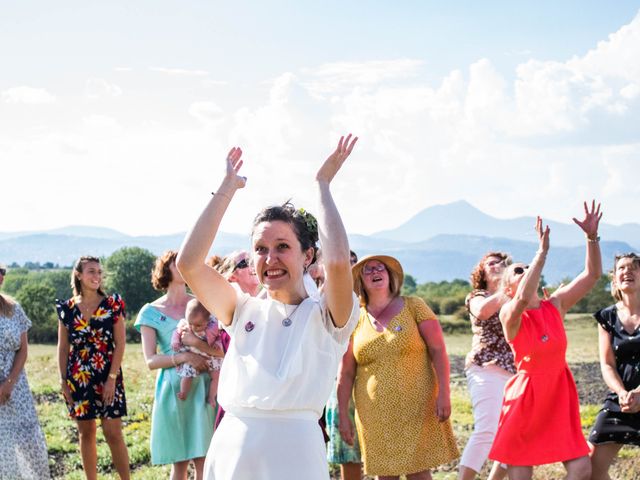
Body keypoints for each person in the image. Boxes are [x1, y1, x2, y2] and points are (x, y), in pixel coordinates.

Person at [176, 134, 360, 480]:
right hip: (231, 451)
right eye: (260, 249)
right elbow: (189, 264)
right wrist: (228, 188)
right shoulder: (241, 309)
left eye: (282, 246)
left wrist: (322, 185)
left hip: (294, 455)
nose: (269, 258)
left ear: (308, 255)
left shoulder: (329, 317)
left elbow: (337, 264)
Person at [489, 202, 603, 480]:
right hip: (526, 397)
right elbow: (522, 299)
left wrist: (591, 238)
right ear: (508, 287)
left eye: (529, 268)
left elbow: (592, 276)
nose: (527, 271)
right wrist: (541, 253)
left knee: (580, 469)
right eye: (519, 271)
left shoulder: (556, 305)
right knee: (520, 472)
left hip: (558, 393)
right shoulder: (509, 314)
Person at [338, 254, 459, 480]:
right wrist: (343, 415)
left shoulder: (414, 306)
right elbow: (345, 373)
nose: (375, 272)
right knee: (384, 475)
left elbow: (438, 350)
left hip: (417, 405)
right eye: (368, 270)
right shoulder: (355, 320)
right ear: (360, 282)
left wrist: (444, 393)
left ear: (389, 275)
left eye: (380, 268)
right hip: (374, 414)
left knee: (419, 473)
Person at [135, 250, 222, 480]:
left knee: (205, 458)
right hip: (174, 390)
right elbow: (150, 360)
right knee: (180, 461)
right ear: (165, 269)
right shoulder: (150, 312)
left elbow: (220, 346)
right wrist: (184, 357)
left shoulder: (203, 304)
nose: (184, 264)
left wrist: (196, 348)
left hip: (205, 387)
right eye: (177, 261)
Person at [56, 256, 130, 480]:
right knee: (85, 432)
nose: (96, 276)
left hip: (109, 374)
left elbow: (120, 344)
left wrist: (112, 378)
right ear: (79, 275)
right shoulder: (67, 309)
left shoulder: (113, 304)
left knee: (112, 433)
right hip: (78, 376)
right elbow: (63, 347)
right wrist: (63, 381)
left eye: (99, 272)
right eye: (91, 271)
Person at [458, 252, 514, 480]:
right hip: (485, 366)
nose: (497, 265)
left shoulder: (516, 297)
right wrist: (509, 289)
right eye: (490, 263)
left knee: (514, 433)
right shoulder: (477, 296)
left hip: (515, 370)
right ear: (481, 271)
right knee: (487, 430)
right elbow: (483, 311)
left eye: (502, 263)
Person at [589, 252, 640, 479]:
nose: (627, 271)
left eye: (634, 267)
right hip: (621, 399)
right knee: (591, 468)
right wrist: (622, 393)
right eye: (621, 268)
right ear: (615, 278)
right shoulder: (607, 317)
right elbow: (607, 364)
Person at [0, 264, 50, 479]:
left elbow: (23, 350)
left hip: (16, 388)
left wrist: (9, 383)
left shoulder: (13, 308)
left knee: (28, 443)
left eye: (1, 274)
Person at [325, 250, 363, 480]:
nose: (348, 268)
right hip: (337, 383)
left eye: (353, 263)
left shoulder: (371, 301)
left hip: (371, 384)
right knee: (348, 454)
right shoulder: (324, 299)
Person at [172, 298, 223, 406]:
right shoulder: (185, 325)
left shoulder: (214, 326)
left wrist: (217, 344)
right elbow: (176, 332)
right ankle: (183, 392)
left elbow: (220, 337)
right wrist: (175, 342)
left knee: (217, 376)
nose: (193, 327)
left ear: (208, 320)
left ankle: (212, 397)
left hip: (210, 356)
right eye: (191, 323)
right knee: (187, 374)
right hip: (193, 355)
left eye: (198, 325)